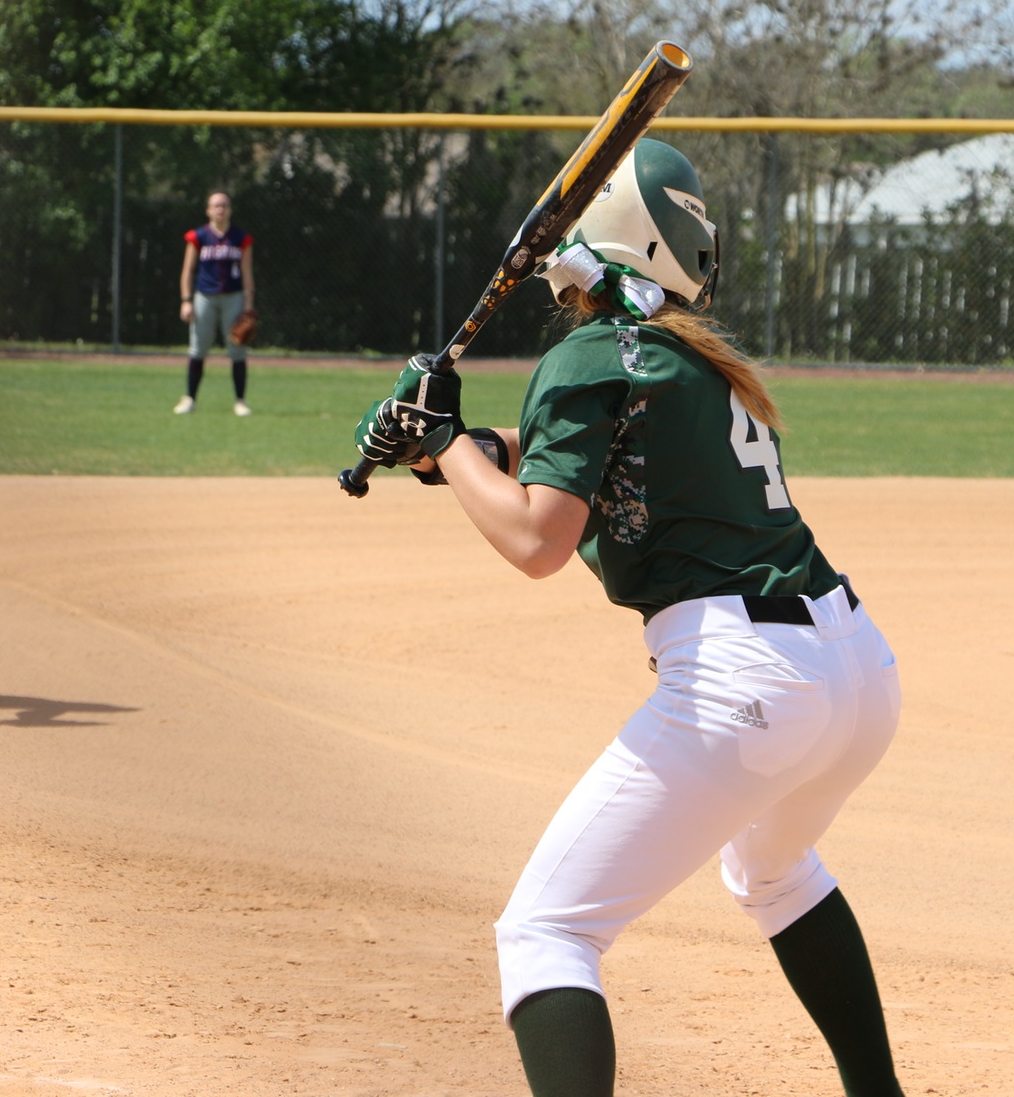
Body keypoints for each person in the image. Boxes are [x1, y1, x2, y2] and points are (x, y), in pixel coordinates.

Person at [353, 139, 907, 1097]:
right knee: (773, 873)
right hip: (856, 667)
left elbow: (538, 538)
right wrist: (457, 446)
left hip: (747, 680)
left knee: (546, 930)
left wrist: (447, 449)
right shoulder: (689, 356)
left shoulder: (582, 353)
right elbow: (571, 448)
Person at [174, 191, 256, 416]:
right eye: (216, 206)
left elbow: (247, 272)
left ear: (229, 210)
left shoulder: (240, 237)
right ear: (208, 210)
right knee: (198, 348)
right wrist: (186, 300)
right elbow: (188, 271)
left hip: (233, 297)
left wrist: (249, 303)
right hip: (204, 297)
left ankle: (240, 401)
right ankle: (190, 398)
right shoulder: (198, 236)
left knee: (237, 350)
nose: (220, 210)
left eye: (224, 206)